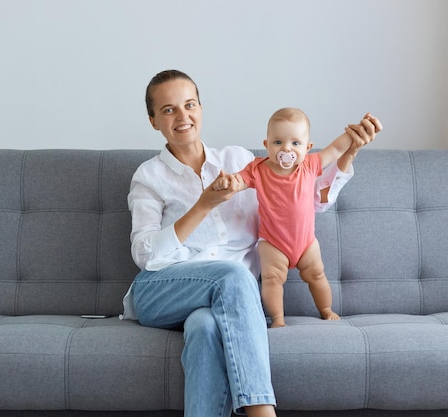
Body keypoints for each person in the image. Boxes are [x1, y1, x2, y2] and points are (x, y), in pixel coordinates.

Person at [121, 69, 380, 417]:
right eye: (168, 110)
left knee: (204, 326)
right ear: (154, 121)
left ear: (200, 108)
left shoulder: (239, 162)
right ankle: (262, 412)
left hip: (224, 303)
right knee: (234, 275)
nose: (182, 116)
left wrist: (347, 154)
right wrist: (203, 206)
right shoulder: (148, 176)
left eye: (189, 105)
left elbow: (305, 202)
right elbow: (145, 255)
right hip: (161, 290)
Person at [214, 108, 381, 327]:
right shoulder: (258, 168)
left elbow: (337, 148)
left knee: (318, 275)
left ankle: (326, 309)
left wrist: (357, 131)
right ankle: (278, 318)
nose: (286, 149)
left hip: (306, 243)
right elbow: (240, 180)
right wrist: (229, 183)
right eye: (278, 142)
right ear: (266, 145)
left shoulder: (310, 165)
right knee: (272, 280)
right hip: (273, 243)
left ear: (307, 147)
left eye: (295, 143)